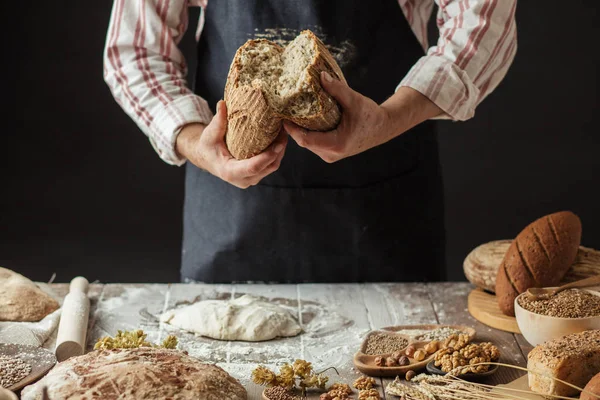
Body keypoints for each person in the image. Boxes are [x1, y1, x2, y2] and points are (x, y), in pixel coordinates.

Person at [104, 0, 517, 283]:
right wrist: (197, 144)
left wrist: (390, 117)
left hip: (385, 203)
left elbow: (481, 21)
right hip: (232, 215)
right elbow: (135, 51)